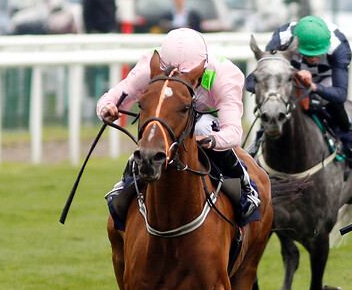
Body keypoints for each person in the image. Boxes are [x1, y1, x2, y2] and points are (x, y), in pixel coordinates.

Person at [98, 28, 260, 223]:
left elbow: (233, 133)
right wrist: (108, 108)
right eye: (171, 73)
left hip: (207, 123)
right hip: (170, 119)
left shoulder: (225, 76)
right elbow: (112, 97)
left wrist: (207, 141)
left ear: (202, 67)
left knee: (201, 127)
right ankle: (127, 180)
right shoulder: (150, 65)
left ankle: (245, 185)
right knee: (151, 130)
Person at [245, 15, 352, 168]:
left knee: (333, 104)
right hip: (290, 76)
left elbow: (340, 95)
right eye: (308, 54)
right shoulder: (282, 38)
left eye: (318, 53)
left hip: (325, 79)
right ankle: (260, 138)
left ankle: (350, 139)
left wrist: (313, 86)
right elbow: (253, 81)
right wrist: (294, 76)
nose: (314, 58)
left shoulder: (339, 48)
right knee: (274, 104)